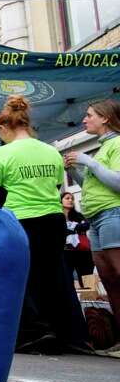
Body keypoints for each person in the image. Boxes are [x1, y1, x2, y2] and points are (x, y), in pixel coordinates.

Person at [0, 95, 91, 354]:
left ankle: (35, 330)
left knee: (21, 278)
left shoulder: (0, 153)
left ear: (3, 127)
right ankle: (71, 335)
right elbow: (55, 186)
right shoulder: (51, 151)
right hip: (53, 221)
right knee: (55, 276)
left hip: (19, 220)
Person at [65, 98, 120, 330]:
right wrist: (74, 171)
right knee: (108, 279)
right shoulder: (103, 147)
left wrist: (87, 161)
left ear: (105, 118)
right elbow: (93, 185)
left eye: (89, 115)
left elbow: (117, 182)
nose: (84, 120)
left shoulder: (117, 143)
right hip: (96, 219)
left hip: (112, 214)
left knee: (118, 275)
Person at [62, 192, 94, 291]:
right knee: (66, 279)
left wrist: (70, 227)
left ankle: (91, 301)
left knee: (87, 277)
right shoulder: (57, 216)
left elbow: (86, 225)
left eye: (72, 198)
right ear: (60, 201)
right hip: (65, 251)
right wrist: (76, 227)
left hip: (82, 251)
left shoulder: (78, 215)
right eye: (67, 198)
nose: (70, 200)